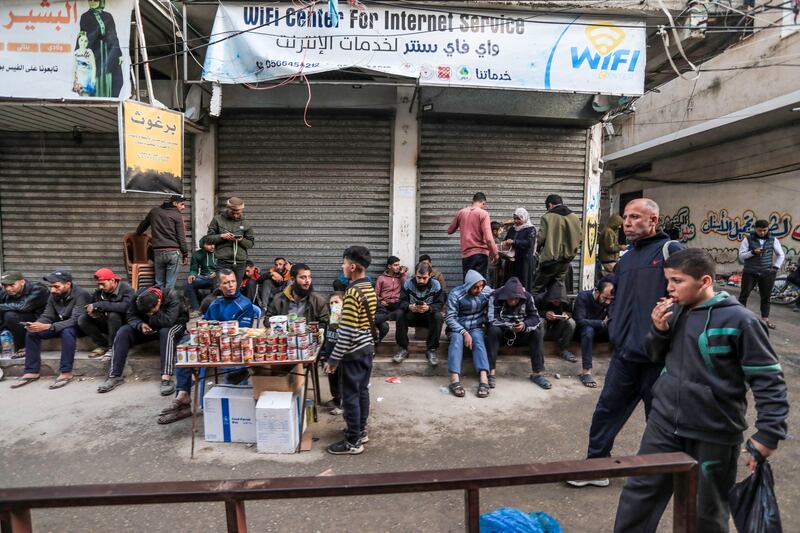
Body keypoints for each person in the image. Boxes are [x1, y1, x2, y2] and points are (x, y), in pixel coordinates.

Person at [614, 249, 789, 533]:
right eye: (668, 280)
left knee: (705, 515)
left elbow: (768, 380)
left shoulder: (742, 322)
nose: (669, 288)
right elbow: (655, 356)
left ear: (705, 280)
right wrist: (658, 330)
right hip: (663, 426)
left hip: (714, 433)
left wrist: (769, 433)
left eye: (677, 281)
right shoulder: (676, 312)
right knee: (638, 500)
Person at [570, 198, 684, 488]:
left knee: (659, 420)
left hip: (658, 357)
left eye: (635, 217)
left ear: (653, 220)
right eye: (625, 217)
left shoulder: (671, 251)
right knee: (607, 411)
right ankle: (597, 468)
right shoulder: (628, 256)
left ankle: (662, 472)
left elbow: (687, 296)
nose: (627, 223)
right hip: (625, 355)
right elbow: (618, 292)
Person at [156, 269, 259, 423]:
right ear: (219, 285)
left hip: (233, 346)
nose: (231, 285)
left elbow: (241, 333)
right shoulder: (215, 303)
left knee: (234, 355)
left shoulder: (245, 304)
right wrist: (200, 332)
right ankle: (183, 396)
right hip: (212, 345)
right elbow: (206, 324)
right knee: (184, 347)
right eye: (226, 283)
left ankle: (233, 404)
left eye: (233, 282)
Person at [323, 246, 378, 455]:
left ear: (352, 267)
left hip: (353, 353)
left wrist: (334, 359)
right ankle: (360, 431)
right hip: (366, 349)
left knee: (350, 397)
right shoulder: (369, 288)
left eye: (344, 263)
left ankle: (353, 441)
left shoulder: (353, 292)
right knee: (362, 392)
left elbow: (346, 332)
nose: (342, 266)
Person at [96, 285, 188, 396]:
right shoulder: (138, 297)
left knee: (166, 332)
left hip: (173, 324)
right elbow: (130, 316)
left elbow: (168, 321)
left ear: (158, 302)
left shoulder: (173, 296)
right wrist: (140, 324)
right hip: (149, 326)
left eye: (150, 311)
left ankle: (166, 378)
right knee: (123, 331)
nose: (148, 313)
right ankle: (114, 375)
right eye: (147, 312)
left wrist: (155, 313)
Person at [11, 271, 91, 390]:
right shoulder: (54, 295)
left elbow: (75, 320)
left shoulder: (81, 294)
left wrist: (49, 327)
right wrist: (37, 324)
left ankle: (66, 372)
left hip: (78, 327)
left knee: (68, 331)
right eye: (51, 286)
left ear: (68, 284)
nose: (52, 290)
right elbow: (47, 315)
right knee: (32, 332)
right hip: (58, 326)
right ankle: (32, 371)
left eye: (56, 286)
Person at [486, 276, 545, 390]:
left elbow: (535, 318)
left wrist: (524, 325)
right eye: (510, 299)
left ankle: (537, 373)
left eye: (516, 299)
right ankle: (491, 372)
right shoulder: (495, 296)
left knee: (537, 333)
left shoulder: (527, 296)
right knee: (492, 330)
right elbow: (491, 318)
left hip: (521, 333)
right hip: (503, 333)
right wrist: (510, 326)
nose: (513, 301)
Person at [445, 269, 493, 398]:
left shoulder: (486, 291)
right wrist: (464, 332)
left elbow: (501, 293)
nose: (479, 290)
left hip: (476, 327)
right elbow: (450, 318)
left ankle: (484, 380)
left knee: (478, 339)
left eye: (481, 286)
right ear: (468, 286)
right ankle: (454, 380)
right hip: (457, 328)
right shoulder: (455, 294)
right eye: (476, 287)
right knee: (456, 339)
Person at [393, 262, 446, 367]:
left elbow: (440, 304)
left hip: (428, 315)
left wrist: (429, 308)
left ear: (429, 276)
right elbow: (401, 302)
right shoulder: (408, 283)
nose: (421, 280)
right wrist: (410, 306)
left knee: (438, 316)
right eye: (418, 277)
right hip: (412, 315)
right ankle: (403, 349)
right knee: (399, 314)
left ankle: (431, 350)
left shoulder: (436, 285)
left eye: (424, 278)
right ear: (415, 275)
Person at [737, 219, 784, 330]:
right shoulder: (747, 239)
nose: (762, 233)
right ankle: (739, 318)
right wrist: (753, 252)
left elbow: (781, 255)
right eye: (759, 230)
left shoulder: (773, 239)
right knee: (744, 295)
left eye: (764, 230)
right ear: (755, 229)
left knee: (766, 297)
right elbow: (741, 256)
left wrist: (775, 268)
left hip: (767, 273)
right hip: (750, 272)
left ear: (767, 229)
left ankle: (765, 319)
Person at [78, 268, 135, 359]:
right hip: (107, 323)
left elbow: (125, 307)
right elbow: (93, 305)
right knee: (83, 319)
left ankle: (113, 347)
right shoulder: (99, 293)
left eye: (103, 284)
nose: (100, 287)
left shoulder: (127, 290)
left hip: (123, 325)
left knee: (114, 314)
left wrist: (100, 305)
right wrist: (94, 313)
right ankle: (103, 344)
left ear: (112, 280)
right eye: (98, 284)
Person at [532, 194, 582, 294]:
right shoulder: (574, 217)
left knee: (536, 289)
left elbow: (541, 238)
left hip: (550, 260)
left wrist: (537, 250)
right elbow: (580, 238)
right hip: (566, 260)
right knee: (557, 289)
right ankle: (555, 309)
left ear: (550, 204)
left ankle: (535, 309)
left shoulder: (547, 217)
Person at [136, 194, 189, 289]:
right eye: (182, 204)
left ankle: (158, 302)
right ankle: (167, 303)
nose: (184, 207)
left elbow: (141, 228)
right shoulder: (177, 216)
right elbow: (181, 238)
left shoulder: (154, 212)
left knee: (159, 283)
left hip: (157, 252)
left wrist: (139, 233)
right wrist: (185, 254)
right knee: (170, 284)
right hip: (172, 252)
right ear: (175, 203)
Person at [573, 278, 614, 388]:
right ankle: (586, 372)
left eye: (610, 299)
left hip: (600, 331)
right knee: (588, 330)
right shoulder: (583, 296)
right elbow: (580, 320)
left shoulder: (609, 300)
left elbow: (611, 318)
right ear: (597, 292)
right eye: (604, 298)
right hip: (583, 332)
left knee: (617, 327)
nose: (607, 302)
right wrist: (601, 323)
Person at [447, 192, 499, 280]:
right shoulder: (483, 213)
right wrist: (495, 254)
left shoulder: (461, 212)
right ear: (483, 203)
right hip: (480, 255)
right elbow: (489, 239)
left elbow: (450, 230)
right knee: (479, 286)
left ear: (472, 201)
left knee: (468, 285)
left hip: (466, 256)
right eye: (484, 205)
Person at [77, 0, 123, 98]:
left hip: (109, 52)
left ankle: (111, 102)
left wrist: (119, 54)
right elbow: (83, 36)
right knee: (95, 81)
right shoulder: (85, 16)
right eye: (90, 0)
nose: (92, 2)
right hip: (94, 53)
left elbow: (113, 36)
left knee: (117, 80)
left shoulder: (108, 16)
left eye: (95, 0)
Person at [206, 197, 255, 287]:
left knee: (235, 290)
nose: (236, 215)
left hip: (240, 263)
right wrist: (221, 236)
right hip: (223, 262)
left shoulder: (245, 223)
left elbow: (250, 243)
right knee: (220, 289)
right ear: (227, 209)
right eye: (233, 213)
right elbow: (208, 239)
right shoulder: (217, 220)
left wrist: (241, 240)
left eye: (238, 213)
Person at [0, 271, 49, 358]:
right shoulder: (5, 292)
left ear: (22, 282)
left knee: (10, 315)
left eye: (12, 285)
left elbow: (23, 307)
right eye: (5, 285)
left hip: (39, 320)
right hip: (18, 321)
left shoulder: (38, 288)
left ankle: (22, 347)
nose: (8, 288)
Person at [534, 282, 577, 366]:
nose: (557, 302)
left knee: (571, 322)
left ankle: (563, 349)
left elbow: (571, 313)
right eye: (555, 300)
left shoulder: (566, 301)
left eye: (560, 300)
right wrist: (544, 314)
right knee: (540, 320)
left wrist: (567, 315)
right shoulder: (539, 299)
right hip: (542, 330)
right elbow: (531, 315)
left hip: (557, 331)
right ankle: (538, 350)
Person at [319, 292, 344, 415]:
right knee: (332, 379)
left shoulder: (345, 318)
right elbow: (327, 338)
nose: (334, 305)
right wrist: (324, 355)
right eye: (331, 303)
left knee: (341, 380)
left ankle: (342, 404)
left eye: (337, 302)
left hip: (341, 356)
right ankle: (336, 399)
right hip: (330, 354)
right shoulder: (330, 318)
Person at [502, 208, 537, 291]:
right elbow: (507, 239)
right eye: (515, 219)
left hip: (524, 262)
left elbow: (529, 243)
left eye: (518, 218)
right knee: (511, 283)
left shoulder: (530, 229)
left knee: (523, 284)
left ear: (524, 218)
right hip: (511, 261)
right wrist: (505, 243)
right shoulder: (512, 229)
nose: (516, 221)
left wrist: (514, 242)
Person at [374, 256, 407, 341]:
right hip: (384, 304)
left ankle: (388, 316)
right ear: (389, 266)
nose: (398, 267)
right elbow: (375, 294)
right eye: (395, 265)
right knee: (380, 311)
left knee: (402, 311)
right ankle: (387, 317)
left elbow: (406, 286)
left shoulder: (400, 277)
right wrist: (381, 300)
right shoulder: (381, 278)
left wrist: (402, 273)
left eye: (399, 265)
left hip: (396, 303)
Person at [185, 236, 217, 314]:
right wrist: (192, 274)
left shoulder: (219, 253)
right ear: (203, 245)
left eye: (213, 244)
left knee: (216, 282)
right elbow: (194, 269)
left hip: (216, 277)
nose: (212, 246)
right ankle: (196, 308)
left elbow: (224, 266)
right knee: (189, 283)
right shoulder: (197, 254)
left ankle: (214, 307)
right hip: (203, 277)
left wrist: (217, 272)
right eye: (209, 244)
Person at [72, 31, 96, 96]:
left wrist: (93, 79)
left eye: (85, 41)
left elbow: (93, 66)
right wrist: (74, 81)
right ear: (78, 41)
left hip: (88, 78)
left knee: (86, 96)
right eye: (81, 40)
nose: (83, 43)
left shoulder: (89, 52)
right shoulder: (75, 53)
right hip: (79, 79)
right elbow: (74, 68)